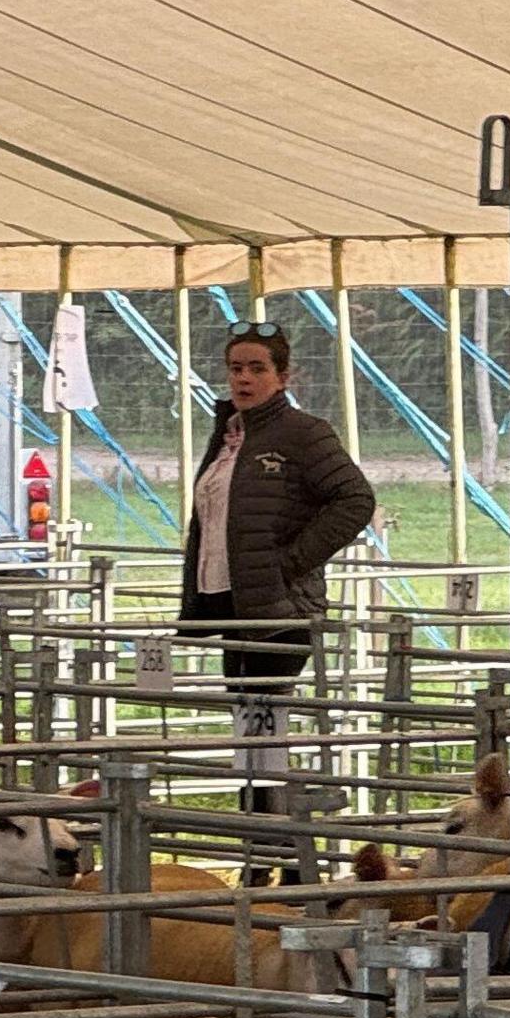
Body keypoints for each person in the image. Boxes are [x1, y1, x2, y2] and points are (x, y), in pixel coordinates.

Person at [179, 326, 374, 878]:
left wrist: (292, 561)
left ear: (284, 377)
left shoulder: (304, 434)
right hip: (231, 603)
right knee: (252, 726)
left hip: (279, 609)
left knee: (266, 721)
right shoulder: (228, 436)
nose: (243, 378)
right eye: (236, 367)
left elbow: (355, 498)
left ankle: (277, 852)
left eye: (257, 368)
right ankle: (263, 848)